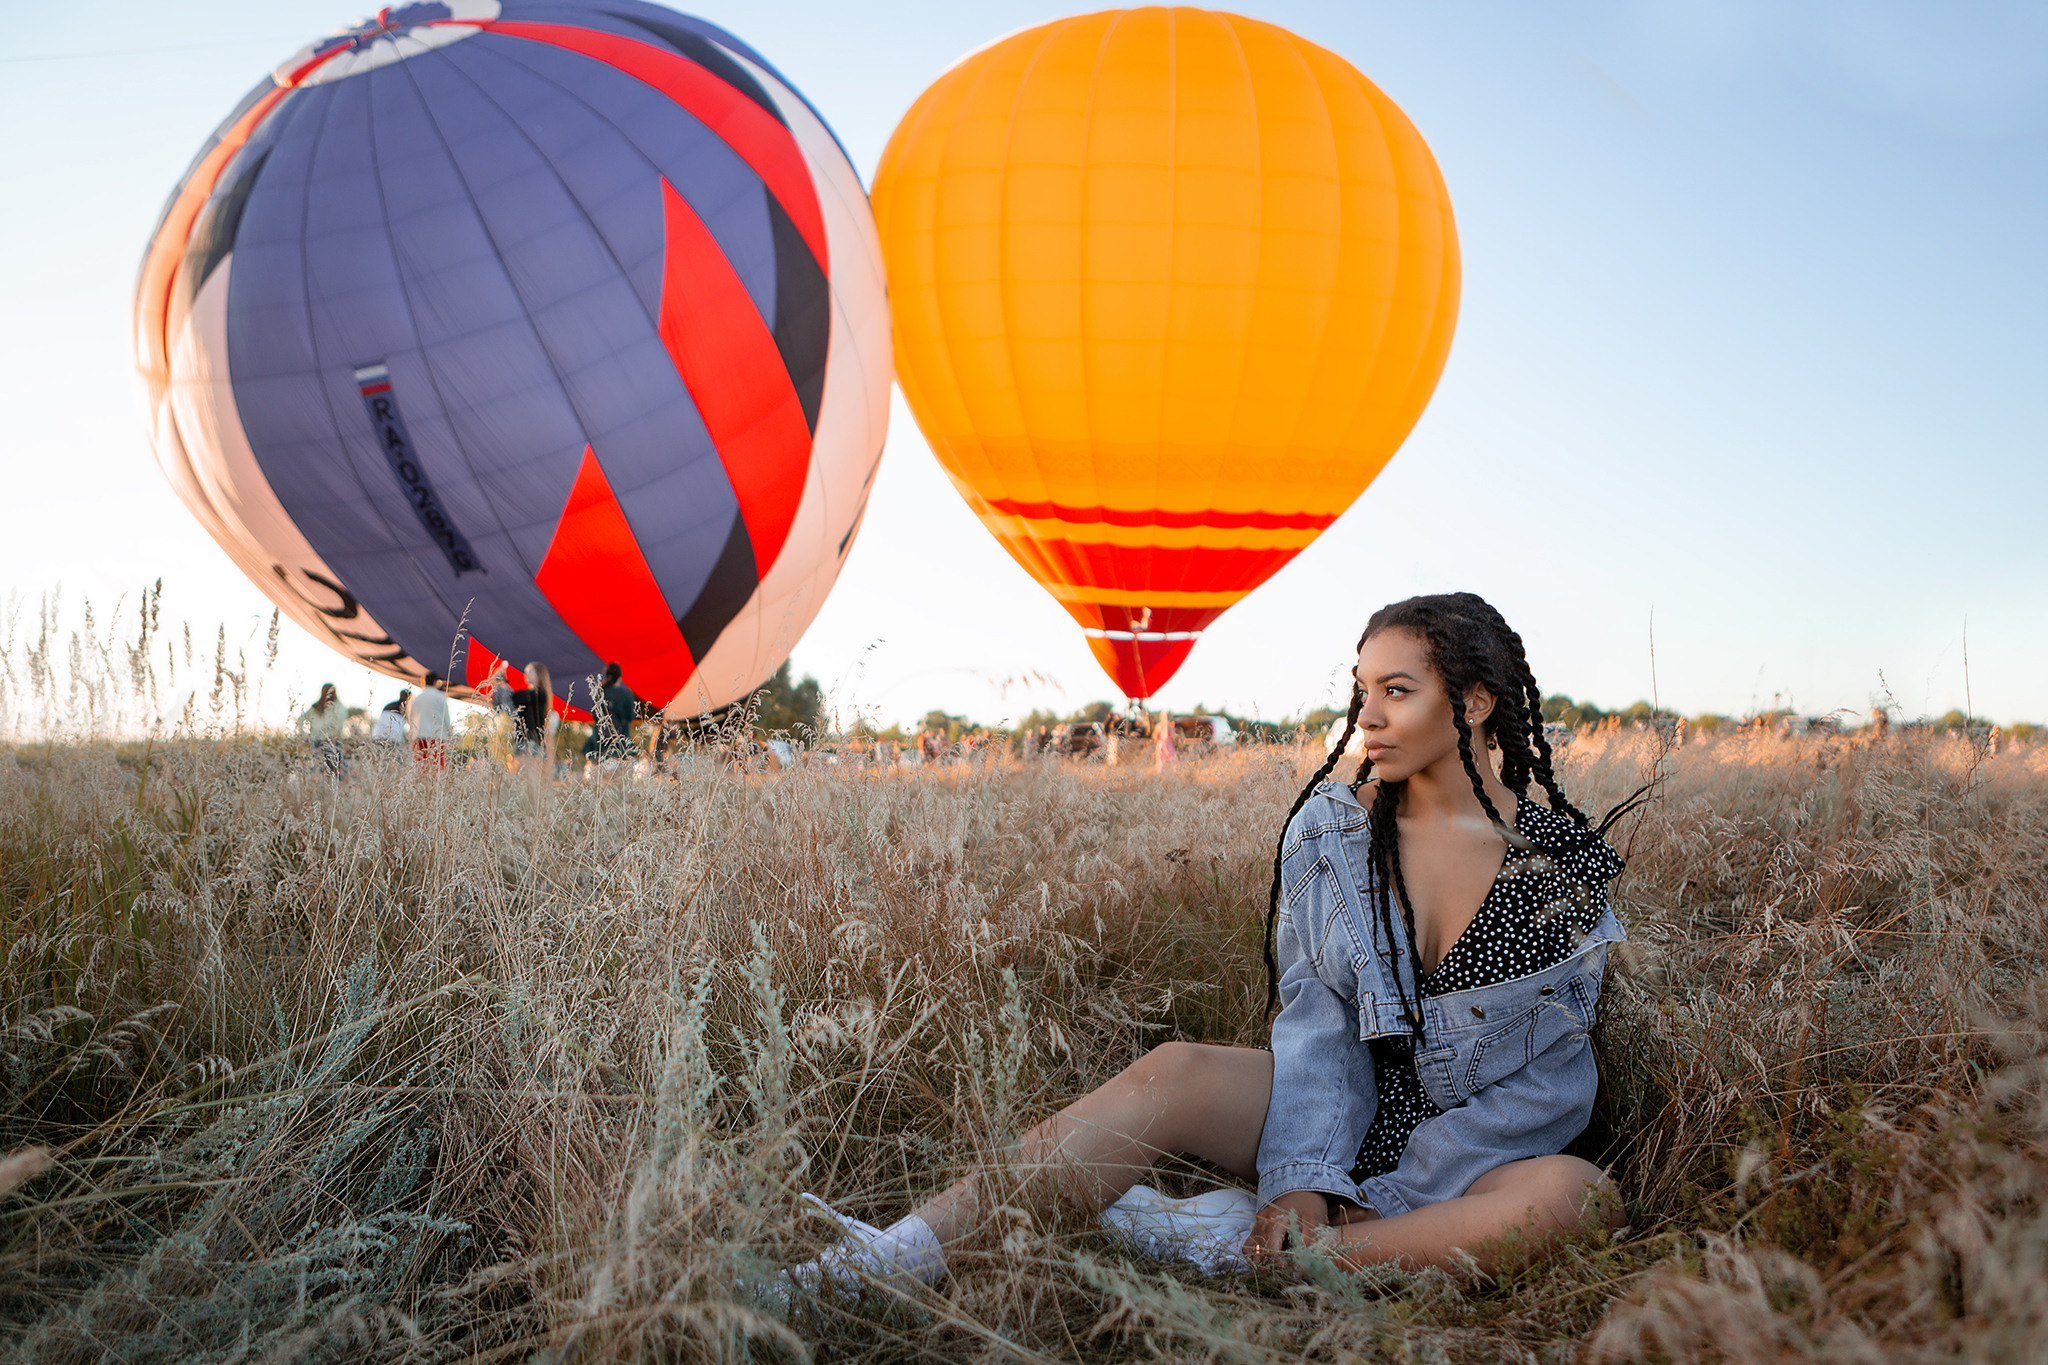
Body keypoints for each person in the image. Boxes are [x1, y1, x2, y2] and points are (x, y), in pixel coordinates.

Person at [786, 593, 1634, 1291]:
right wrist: (1305, 1177)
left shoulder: (1557, 867)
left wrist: (1388, 1201)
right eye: (1361, 687)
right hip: (1344, 1102)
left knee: (1576, 1197)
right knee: (1174, 1069)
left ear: (1476, 701)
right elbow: (1316, 1022)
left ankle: (1288, 1256)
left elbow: (1547, 1088)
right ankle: (872, 1263)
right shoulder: (1335, 832)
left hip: (1475, 1151)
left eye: (1398, 690)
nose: (1367, 714)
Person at [492, 660, 556, 771]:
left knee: (525, 777)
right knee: (523, 778)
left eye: (530, 671)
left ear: (539, 674)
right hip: (524, 741)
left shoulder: (539, 694)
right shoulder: (532, 695)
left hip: (531, 743)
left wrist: (503, 683)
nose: (526, 674)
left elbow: (514, 698)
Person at [582, 662, 637, 768]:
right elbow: (630, 716)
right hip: (621, 740)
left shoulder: (599, 692)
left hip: (599, 740)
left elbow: (595, 716)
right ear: (620, 677)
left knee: (599, 776)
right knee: (620, 778)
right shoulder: (626, 694)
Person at [295, 683, 348, 776]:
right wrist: (336, 735)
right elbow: (340, 724)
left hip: (316, 741)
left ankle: (318, 789)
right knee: (333, 772)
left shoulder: (315, 706)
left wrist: (304, 735)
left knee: (317, 771)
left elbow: (300, 720)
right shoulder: (338, 706)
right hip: (331, 741)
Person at [407, 672, 452, 769]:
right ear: (436, 682)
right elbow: (446, 718)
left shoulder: (416, 697)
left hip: (419, 735)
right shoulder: (441, 697)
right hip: (437, 736)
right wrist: (449, 732)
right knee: (437, 767)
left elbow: (410, 718)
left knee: (420, 767)